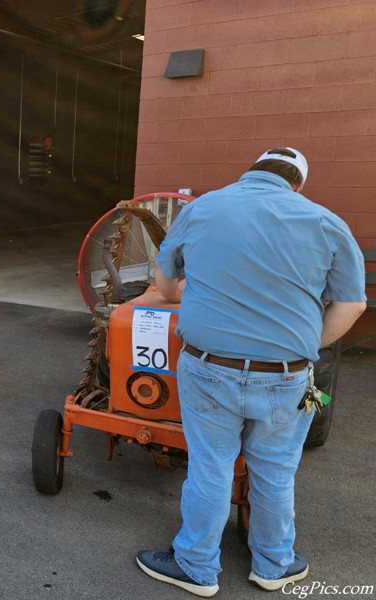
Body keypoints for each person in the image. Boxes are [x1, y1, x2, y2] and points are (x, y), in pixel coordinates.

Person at [136, 147, 367, 597]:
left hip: (208, 368)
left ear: (250, 173)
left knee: (210, 467)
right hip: (287, 375)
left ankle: (197, 567)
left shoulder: (202, 208)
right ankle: (275, 565)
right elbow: (352, 304)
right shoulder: (326, 221)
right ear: (297, 184)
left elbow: (164, 284)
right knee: (277, 472)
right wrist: (303, 347)